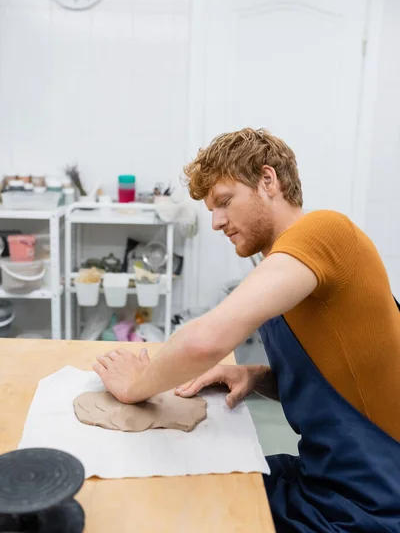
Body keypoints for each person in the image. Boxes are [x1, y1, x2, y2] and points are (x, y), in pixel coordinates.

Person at [94, 128, 400, 532]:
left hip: (371, 501)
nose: (218, 223)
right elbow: (342, 376)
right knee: (199, 479)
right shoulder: (283, 266)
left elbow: (205, 341)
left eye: (224, 202)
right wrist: (256, 376)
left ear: (268, 180)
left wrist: (135, 387)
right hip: (325, 476)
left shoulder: (324, 231)